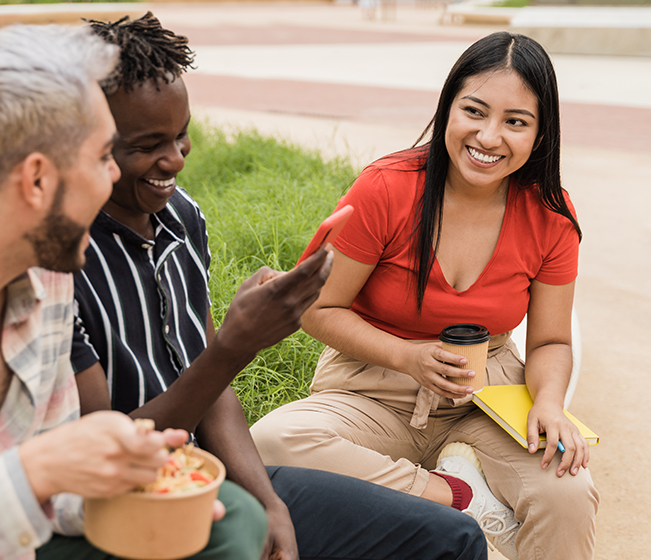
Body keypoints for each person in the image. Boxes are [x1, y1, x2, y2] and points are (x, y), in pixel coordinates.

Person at [67, 13, 489, 560]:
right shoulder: (62, 257)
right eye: (148, 145)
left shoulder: (180, 218)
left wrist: (268, 501)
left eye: (181, 134)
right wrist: (235, 347)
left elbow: (210, 388)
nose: (174, 160)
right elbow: (102, 455)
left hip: (210, 475)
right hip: (126, 506)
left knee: (452, 540)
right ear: (88, 140)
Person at [0, 24, 268, 560]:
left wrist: (133, 477)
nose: (113, 176)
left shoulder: (44, 281)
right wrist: (37, 473)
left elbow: (55, 490)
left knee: (227, 522)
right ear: (37, 181)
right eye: (102, 158)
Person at [250, 31, 600, 560]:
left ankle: (459, 476)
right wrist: (408, 356)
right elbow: (317, 308)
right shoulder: (387, 187)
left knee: (568, 492)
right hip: (373, 389)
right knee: (271, 441)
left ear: (540, 132)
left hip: (486, 395)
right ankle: (456, 496)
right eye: (474, 111)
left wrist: (548, 403)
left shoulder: (552, 214)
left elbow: (551, 338)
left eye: (515, 122)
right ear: (448, 108)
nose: (489, 136)